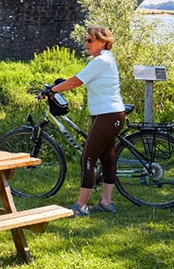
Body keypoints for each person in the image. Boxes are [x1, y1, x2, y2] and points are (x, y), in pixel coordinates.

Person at [46, 25, 126, 217]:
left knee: (87, 158)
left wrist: (52, 90)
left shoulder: (101, 61)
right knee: (107, 158)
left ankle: (81, 206)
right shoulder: (105, 59)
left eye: (90, 40)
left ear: (103, 42)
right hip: (112, 114)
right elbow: (78, 79)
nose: (86, 44)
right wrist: (59, 85)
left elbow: (76, 82)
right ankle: (106, 202)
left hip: (106, 115)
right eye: (85, 40)